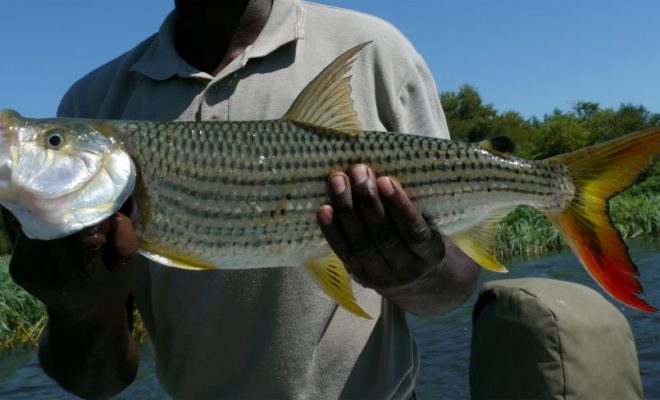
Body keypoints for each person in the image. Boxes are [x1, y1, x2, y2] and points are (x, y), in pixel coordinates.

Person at [9, 0, 480, 398]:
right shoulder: (91, 100)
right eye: (53, 142)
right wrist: (79, 308)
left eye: (52, 142)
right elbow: (99, 381)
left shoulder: (379, 49)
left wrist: (416, 272)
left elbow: (454, 287)